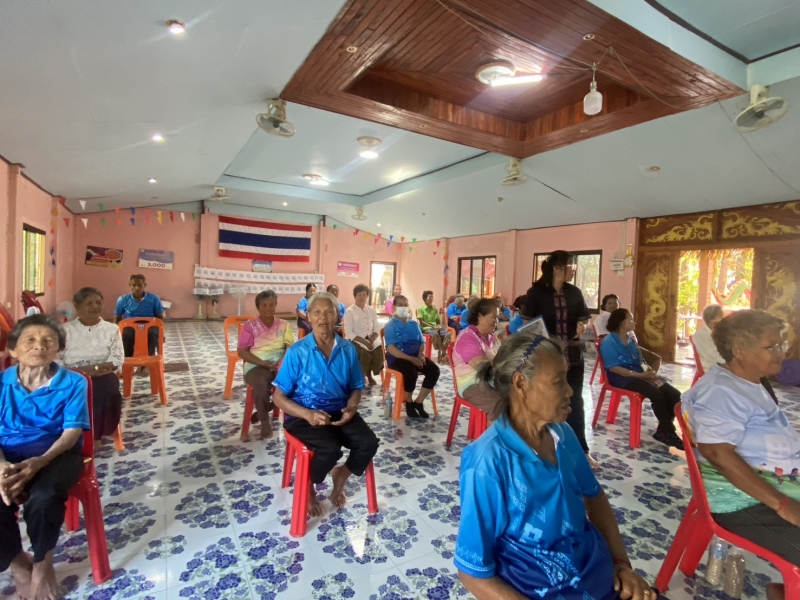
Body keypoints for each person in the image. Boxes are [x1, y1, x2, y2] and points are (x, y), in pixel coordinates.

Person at [455, 332, 661, 600]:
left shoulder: (561, 435)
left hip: (596, 573)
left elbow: (595, 497)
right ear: (520, 383)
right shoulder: (487, 462)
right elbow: (472, 571)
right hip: (540, 589)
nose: (570, 391)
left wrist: (621, 564)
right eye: (558, 381)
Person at [683, 310, 799, 600]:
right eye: (772, 346)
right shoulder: (720, 392)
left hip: (773, 487)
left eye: (782, 344)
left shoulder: (749, 382)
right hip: (741, 502)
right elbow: (716, 453)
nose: (782, 352)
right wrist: (784, 504)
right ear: (740, 351)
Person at [0, 315, 90, 600]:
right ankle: (18, 564)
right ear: (12, 349)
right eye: (30, 340)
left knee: (44, 497)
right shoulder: (1, 383)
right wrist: (2, 466)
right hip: (6, 454)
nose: (39, 346)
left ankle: (42, 563)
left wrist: (39, 461)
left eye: (48, 341)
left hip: (57, 453)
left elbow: (71, 432)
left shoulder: (73, 382)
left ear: (57, 350)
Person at [273, 292, 379, 516]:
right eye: (317, 312)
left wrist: (352, 407)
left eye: (329, 312)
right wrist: (307, 414)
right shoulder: (297, 352)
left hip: (339, 411)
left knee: (368, 443)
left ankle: (340, 476)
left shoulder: (347, 349)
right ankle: (308, 486)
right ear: (309, 316)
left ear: (338, 316)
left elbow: (356, 387)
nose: (323, 317)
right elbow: (278, 397)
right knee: (329, 449)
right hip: (303, 415)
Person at [522, 251, 594, 462]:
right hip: (546, 356)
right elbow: (527, 324)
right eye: (571, 266)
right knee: (546, 400)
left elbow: (584, 320)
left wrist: (582, 326)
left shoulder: (574, 292)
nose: (573, 270)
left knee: (575, 401)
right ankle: (544, 446)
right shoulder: (536, 293)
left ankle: (582, 450)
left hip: (572, 354)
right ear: (557, 268)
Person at [600, 309, 683, 450]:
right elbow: (613, 368)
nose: (634, 322)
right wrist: (639, 375)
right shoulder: (609, 342)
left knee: (674, 394)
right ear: (621, 323)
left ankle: (663, 430)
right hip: (621, 378)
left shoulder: (630, 340)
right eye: (630, 319)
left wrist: (649, 371)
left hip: (638, 374)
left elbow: (641, 361)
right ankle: (668, 432)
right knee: (656, 393)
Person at [61, 288, 124, 445]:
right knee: (74, 390)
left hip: (103, 373)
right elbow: (56, 358)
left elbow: (117, 358)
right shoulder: (65, 330)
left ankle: (95, 435)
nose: (95, 306)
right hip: (72, 373)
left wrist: (96, 370)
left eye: (98, 302)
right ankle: (71, 433)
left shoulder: (112, 329)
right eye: (89, 303)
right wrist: (81, 371)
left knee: (106, 389)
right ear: (77, 306)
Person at [237, 290, 294, 439]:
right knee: (261, 386)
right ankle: (264, 422)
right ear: (258, 307)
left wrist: (281, 362)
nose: (268, 308)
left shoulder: (284, 324)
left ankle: (267, 407)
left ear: (276, 305)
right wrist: (262, 363)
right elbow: (242, 351)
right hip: (256, 365)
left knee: (297, 384)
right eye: (264, 305)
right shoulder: (249, 326)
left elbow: (289, 348)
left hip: (279, 364)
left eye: (272, 304)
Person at [384, 295, 440, 419]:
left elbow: (421, 342)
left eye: (405, 304)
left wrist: (420, 354)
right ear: (394, 307)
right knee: (411, 372)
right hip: (397, 358)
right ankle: (409, 402)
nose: (403, 307)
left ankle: (418, 402)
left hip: (416, 356)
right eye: (400, 305)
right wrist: (410, 359)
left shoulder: (413, 324)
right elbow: (391, 348)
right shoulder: (390, 325)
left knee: (434, 370)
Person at [452, 299, 502, 419]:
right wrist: (506, 362)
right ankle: (494, 432)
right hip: (472, 383)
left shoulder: (491, 337)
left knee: (520, 397)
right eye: (493, 318)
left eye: (497, 318)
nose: (496, 322)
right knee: (498, 406)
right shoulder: (467, 337)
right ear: (480, 316)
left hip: (490, 380)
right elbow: (481, 366)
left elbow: (500, 357)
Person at [115, 274, 164, 357]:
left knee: (152, 335)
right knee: (126, 336)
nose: (137, 288)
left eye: (140, 285)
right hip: (130, 326)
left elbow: (159, 316)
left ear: (145, 285)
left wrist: (162, 332)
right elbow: (117, 316)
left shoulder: (154, 298)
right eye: (134, 285)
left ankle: (148, 360)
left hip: (149, 325)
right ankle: (128, 359)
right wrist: (116, 333)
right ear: (130, 285)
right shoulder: (122, 299)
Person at [343, 284, 382, 386]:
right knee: (364, 352)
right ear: (354, 296)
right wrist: (365, 342)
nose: (362, 297)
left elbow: (376, 328)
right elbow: (349, 332)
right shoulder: (349, 311)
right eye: (359, 295)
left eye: (364, 295)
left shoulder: (371, 310)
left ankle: (370, 375)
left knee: (379, 349)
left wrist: (372, 339)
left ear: (367, 296)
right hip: (354, 340)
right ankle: (361, 376)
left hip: (370, 338)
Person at [417, 290, 451, 364]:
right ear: (425, 298)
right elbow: (421, 323)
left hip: (435, 327)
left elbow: (438, 321)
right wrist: (432, 326)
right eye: (430, 297)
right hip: (426, 328)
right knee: (435, 334)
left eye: (432, 297)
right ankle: (444, 353)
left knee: (447, 334)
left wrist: (438, 326)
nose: (431, 299)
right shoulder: (421, 309)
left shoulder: (434, 309)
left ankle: (442, 355)